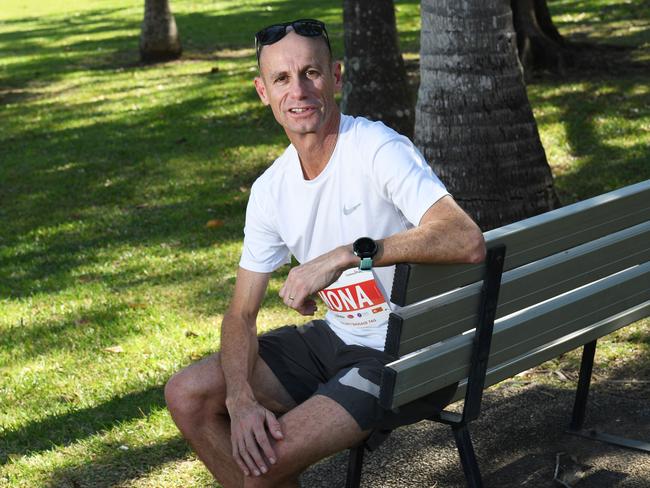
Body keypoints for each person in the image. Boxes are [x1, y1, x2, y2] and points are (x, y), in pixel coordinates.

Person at [165, 18, 486, 488]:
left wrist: (347, 254)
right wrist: (239, 397)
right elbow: (240, 314)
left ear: (335, 77)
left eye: (310, 73)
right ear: (263, 91)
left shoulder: (376, 148)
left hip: (405, 354)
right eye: (281, 78)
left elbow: (465, 238)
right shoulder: (271, 190)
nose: (298, 90)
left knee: (264, 461)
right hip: (336, 342)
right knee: (187, 393)